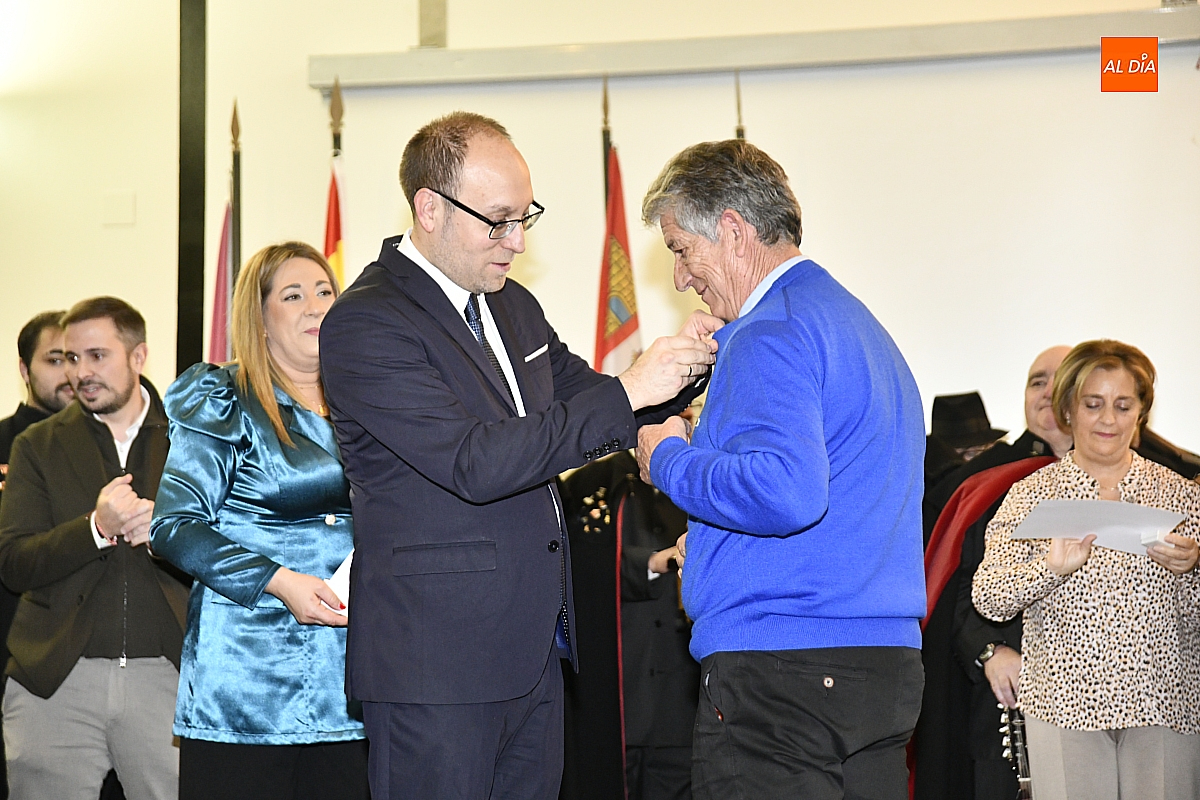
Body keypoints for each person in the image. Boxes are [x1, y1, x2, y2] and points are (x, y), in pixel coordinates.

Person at [319, 111, 718, 800]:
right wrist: (632, 389)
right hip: (436, 666)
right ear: (430, 209)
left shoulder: (512, 306)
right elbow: (474, 462)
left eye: (525, 216)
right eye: (499, 221)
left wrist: (689, 365)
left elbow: (591, 401)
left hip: (534, 653)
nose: (518, 240)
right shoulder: (366, 321)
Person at [635, 139, 926, 799]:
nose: (680, 277)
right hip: (879, 668)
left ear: (733, 231)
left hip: (782, 675)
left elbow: (785, 492)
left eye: (681, 249)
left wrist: (669, 459)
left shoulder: (770, 333)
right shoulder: (856, 326)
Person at [149, 242, 368, 800]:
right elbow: (174, 526)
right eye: (293, 296)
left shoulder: (367, 402)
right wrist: (280, 581)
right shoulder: (225, 397)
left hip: (355, 673)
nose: (315, 306)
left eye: (325, 291)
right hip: (248, 678)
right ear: (260, 317)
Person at [973, 339, 1200, 800]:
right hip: (1063, 707)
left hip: (1163, 703)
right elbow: (989, 597)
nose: (1108, 419)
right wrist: (1048, 568)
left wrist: (1193, 569)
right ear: (1068, 410)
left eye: (1123, 405)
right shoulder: (1030, 495)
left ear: (1141, 412)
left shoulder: (1181, 495)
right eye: (1093, 404)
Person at [0, 297, 186, 800]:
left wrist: (168, 534)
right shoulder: (36, 445)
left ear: (138, 356)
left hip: (167, 675)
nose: (81, 372)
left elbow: (232, 549)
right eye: (71, 357)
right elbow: (14, 563)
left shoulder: (190, 440)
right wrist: (95, 529)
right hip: (54, 681)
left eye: (97, 356)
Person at [914, 345, 1073, 800]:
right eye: (1037, 381)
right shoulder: (981, 480)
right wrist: (989, 650)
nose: (1048, 391)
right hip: (1001, 697)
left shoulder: (1134, 477)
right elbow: (957, 585)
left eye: (1062, 379)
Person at [559, 445, 698, 800]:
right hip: (617, 692)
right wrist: (651, 563)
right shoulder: (591, 485)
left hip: (680, 700)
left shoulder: (696, 479)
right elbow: (579, 570)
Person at [0, 310, 73, 800]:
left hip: (85, 647)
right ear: (24, 369)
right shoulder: (6, 441)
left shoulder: (112, 446)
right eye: (55, 360)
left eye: (78, 358)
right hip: (12, 642)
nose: (71, 372)